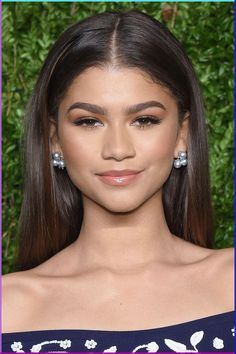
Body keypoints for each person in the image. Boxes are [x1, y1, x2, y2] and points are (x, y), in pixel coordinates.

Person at [2, 10, 234, 353]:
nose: (118, 150)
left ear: (182, 135)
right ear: (54, 139)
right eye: (88, 122)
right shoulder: (9, 309)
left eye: (144, 120)